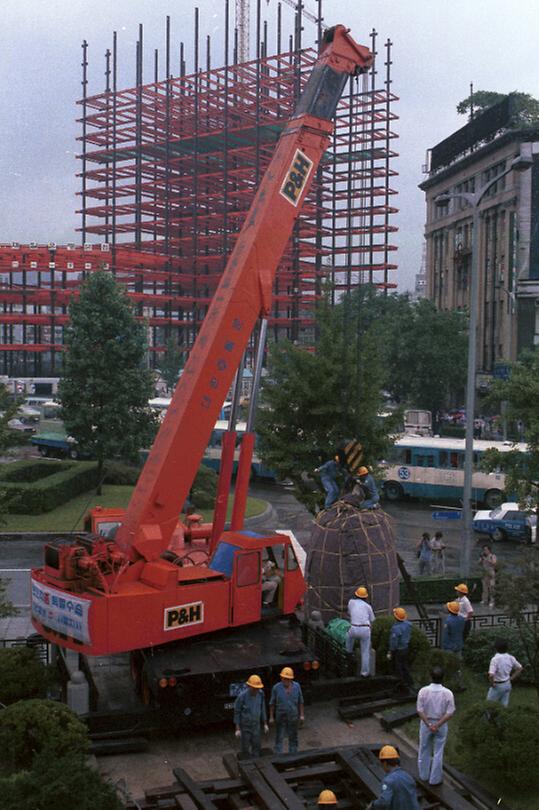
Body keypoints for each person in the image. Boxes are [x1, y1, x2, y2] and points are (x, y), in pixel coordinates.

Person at [416, 666, 455, 786]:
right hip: (441, 723)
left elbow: (419, 709)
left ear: (430, 676)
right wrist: (437, 725)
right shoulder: (448, 693)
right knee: (438, 751)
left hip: (426, 722)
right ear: (443, 678)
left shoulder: (423, 691)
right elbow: (450, 712)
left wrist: (429, 724)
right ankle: (435, 779)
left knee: (424, 748)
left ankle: (423, 775)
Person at [366, 745, 420, 809]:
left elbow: (384, 802)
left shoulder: (388, 781)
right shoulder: (408, 776)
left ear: (385, 763)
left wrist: (372, 805)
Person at [269, 667, 304, 753]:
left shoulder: (297, 686)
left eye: (288, 679)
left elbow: (301, 702)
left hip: (293, 717)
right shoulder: (276, 688)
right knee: (279, 737)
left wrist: (302, 715)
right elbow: (272, 703)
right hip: (280, 717)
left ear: (291, 679)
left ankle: (293, 756)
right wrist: (271, 717)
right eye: (284, 678)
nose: (286, 680)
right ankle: (279, 757)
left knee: (293, 737)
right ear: (281, 678)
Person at [233, 674, 269, 757]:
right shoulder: (242, 697)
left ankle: (256, 761)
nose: (256, 690)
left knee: (257, 746)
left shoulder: (261, 694)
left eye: (258, 688)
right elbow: (237, 712)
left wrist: (265, 723)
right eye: (254, 688)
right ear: (249, 686)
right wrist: (237, 728)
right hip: (245, 727)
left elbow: (262, 708)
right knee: (245, 748)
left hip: (256, 726)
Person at [345, 585, 375, 677]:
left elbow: (349, 613)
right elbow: (372, 619)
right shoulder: (368, 606)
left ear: (356, 594)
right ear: (366, 597)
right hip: (365, 629)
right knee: (365, 652)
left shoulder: (351, 602)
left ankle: (348, 655)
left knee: (348, 637)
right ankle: (365, 673)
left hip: (354, 627)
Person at [486, 638, 523, 707]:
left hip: (498, 685)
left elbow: (491, 675)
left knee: (488, 705)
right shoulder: (510, 657)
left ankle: (489, 717)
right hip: (507, 684)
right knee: (504, 705)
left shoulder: (495, 659)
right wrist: (511, 678)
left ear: (496, 648)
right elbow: (520, 668)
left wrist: (492, 683)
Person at [388, 607, 414, 691]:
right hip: (406, 648)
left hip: (398, 650)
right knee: (404, 666)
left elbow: (394, 642)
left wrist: (391, 651)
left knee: (398, 667)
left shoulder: (396, 628)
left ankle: (401, 684)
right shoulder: (408, 625)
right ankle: (409, 682)